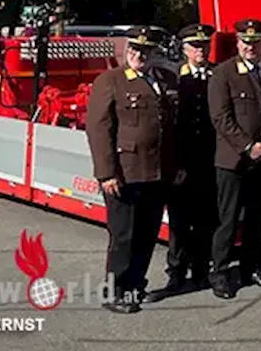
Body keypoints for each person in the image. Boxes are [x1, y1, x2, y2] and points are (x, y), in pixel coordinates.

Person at [86, 26, 181, 313]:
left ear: (154, 53)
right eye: (134, 50)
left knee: (147, 233)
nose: (139, 55)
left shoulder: (163, 79)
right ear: (127, 50)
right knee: (123, 235)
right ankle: (115, 291)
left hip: (156, 172)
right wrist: (106, 173)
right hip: (125, 172)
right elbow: (99, 129)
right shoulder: (110, 80)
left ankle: (135, 284)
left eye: (146, 50)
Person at [208, 18, 261, 298]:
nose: (250, 47)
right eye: (245, 42)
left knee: (256, 216)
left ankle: (251, 267)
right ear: (237, 43)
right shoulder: (223, 73)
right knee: (228, 219)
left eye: (256, 42)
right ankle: (219, 272)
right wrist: (247, 145)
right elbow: (220, 117)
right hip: (234, 159)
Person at [147, 23, 217, 302]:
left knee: (206, 218)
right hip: (181, 161)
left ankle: (201, 270)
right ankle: (176, 273)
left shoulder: (217, 74)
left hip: (210, 159)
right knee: (179, 221)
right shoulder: (173, 77)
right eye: (194, 46)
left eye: (204, 46)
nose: (200, 50)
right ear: (185, 49)